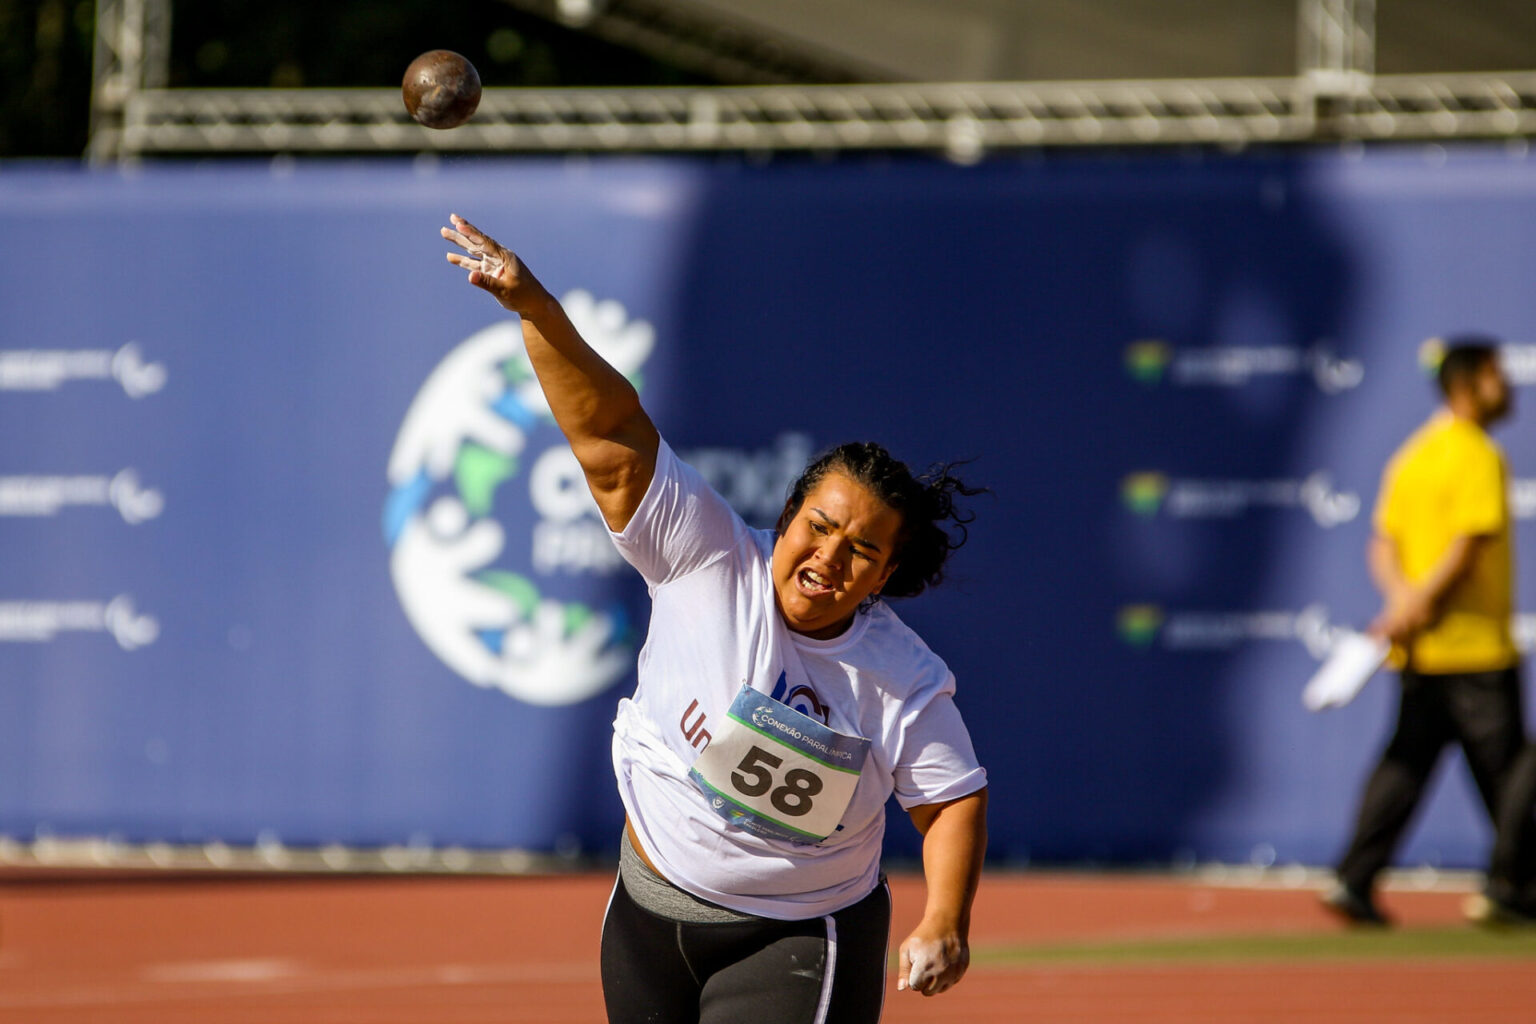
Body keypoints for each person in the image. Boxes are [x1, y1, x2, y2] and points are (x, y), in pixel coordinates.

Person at [441, 214, 990, 1021]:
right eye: (820, 527)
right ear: (790, 512)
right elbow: (611, 435)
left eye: (861, 552)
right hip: (646, 914)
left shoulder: (899, 678)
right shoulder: (706, 556)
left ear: (887, 574)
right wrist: (536, 309)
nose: (830, 560)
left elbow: (949, 803)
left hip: (798, 938)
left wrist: (945, 921)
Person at [1322, 338, 1532, 926]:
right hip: (1473, 646)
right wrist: (1416, 601)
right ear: (1471, 382)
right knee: (1514, 771)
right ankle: (1512, 886)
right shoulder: (1475, 455)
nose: (1508, 390)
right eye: (1498, 377)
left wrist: (1402, 603)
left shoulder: (1412, 456)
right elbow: (1466, 547)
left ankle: (1354, 876)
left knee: (1406, 764)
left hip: (1419, 646)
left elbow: (1381, 545)